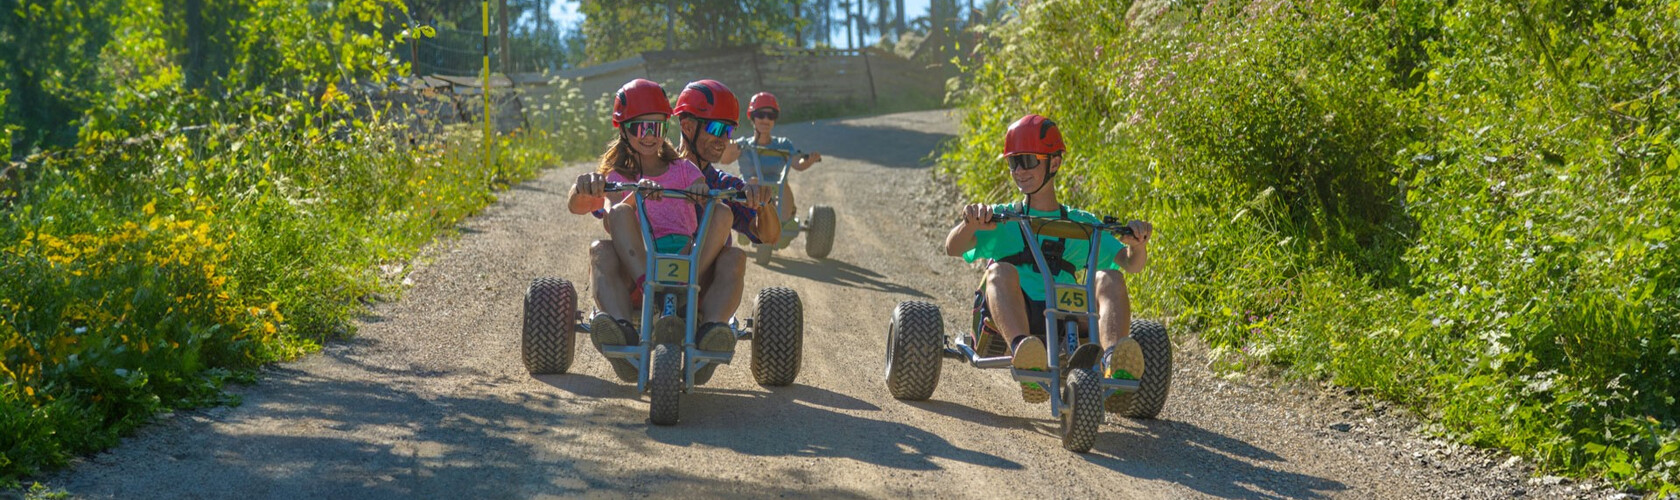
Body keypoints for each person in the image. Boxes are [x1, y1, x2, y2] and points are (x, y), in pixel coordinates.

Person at [942, 114, 1155, 405]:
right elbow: (953, 248)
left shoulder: (1081, 224)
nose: (1020, 171)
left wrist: (1138, 244)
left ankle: (1113, 363)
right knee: (1000, 270)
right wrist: (970, 223)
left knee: (1110, 276)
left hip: (1069, 312)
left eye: (1028, 160)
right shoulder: (1002, 217)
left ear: (1054, 163)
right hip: (1020, 314)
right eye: (1013, 162)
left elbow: (1131, 264)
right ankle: (1025, 357)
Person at [567, 79, 731, 382]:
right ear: (624, 130)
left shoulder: (683, 169)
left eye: (656, 128)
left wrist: (698, 188)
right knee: (602, 244)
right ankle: (622, 330)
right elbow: (588, 208)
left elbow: (701, 186)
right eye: (641, 128)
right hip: (639, 263)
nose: (649, 136)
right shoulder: (617, 176)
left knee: (722, 214)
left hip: (686, 262)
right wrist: (629, 192)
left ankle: (710, 332)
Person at [719, 92, 822, 228]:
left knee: (782, 184)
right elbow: (725, 160)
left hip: (777, 194)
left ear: (775, 119)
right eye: (761, 115)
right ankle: (751, 220)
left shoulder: (783, 145)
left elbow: (798, 164)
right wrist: (728, 146)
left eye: (771, 116)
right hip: (750, 194)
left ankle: (783, 222)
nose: (765, 120)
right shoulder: (742, 144)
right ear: (752, 117)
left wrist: (809, 160)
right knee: (754, 181)